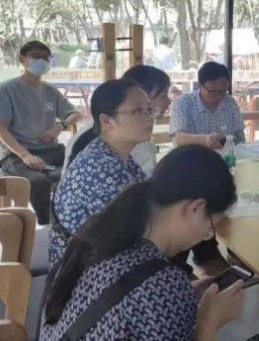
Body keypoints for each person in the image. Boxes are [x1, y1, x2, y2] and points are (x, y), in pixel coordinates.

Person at [40, 145, 243, 340]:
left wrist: (178, 295)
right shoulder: (163, 286)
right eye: (211, 227)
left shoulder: (101, 237)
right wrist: (208, 323)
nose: (206, 234)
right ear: (195, 209)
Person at [50, 79, 152, 266]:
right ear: (106, 121)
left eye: (149, 110)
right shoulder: (97, 168)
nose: (149, 117)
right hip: (86, 272)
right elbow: (133, 234)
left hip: (109, 259)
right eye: (137, 111)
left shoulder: (117, 155)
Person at [0, 41, 83, 225]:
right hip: (15, 154)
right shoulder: (6, 90)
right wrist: (25, 155)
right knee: (38, 181)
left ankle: (75, 218)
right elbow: (1, 129)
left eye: (46, 58)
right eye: (36, 56)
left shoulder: (50, 91)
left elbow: (77, 113)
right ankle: (47, 224)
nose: (42, 61)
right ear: (22, 59)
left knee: (83, 168)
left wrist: (59, 126)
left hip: (50, 151)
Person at [63, 65, 172, 176]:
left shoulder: (130, 136)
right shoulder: (98, 160)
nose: (169, 102)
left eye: (148, 109)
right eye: (163, 96)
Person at [170, 61, 245, 149]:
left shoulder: (230, 103)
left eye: (223, 91)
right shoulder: (183, 103)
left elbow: (240, 136)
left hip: (224, 155)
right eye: (212, 91)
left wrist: (228, 142)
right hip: (191, 156)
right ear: (200, 85)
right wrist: (204, 140)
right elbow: (179, 138)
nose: (218, 96)